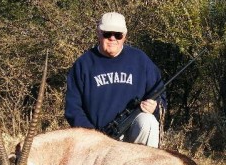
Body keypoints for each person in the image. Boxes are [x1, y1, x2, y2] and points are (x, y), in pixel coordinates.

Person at [65, 12, 166, 148]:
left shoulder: (140, 60)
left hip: (132, 134)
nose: (112, 38)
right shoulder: (83, 64)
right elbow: (73, 108)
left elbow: (160, 95)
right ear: (99, 33)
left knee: (148, 121)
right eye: (107, 34)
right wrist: (93, 135)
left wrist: (155, 107)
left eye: (118, 35)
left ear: (124, 36)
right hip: (97, 139)